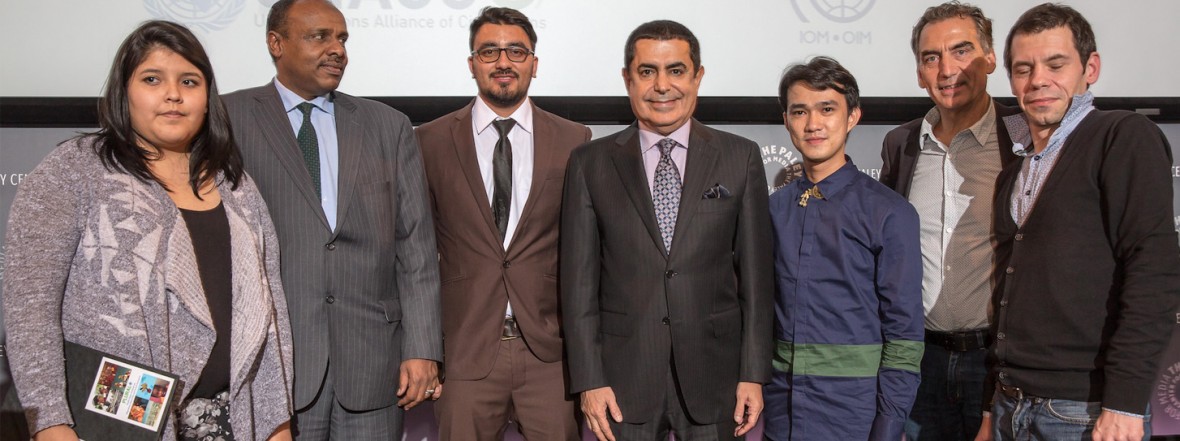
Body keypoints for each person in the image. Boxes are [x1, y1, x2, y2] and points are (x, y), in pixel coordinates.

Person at [2, 20, 294, 441]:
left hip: (233, 422)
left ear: (207, 99)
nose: (173, 94)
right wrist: (50, 424)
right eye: (152, 79)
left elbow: (271, 315)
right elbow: (30, 310)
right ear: (125, 92)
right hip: (114, 424)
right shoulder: (75, 170)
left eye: (189, 81)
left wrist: (277, 424)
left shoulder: (237, 186)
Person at [221, 0, 442, 439]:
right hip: (274, 367)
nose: (337, 49)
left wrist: (422, 348)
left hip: (374, 366)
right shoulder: (227, 118)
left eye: (342, 38)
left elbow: (415, 247)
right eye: (319, 36)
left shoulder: (389, 126)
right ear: (276, 43)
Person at [561, 19, 773, 441]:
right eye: (647, 71)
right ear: (628, 79)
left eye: (676, 70)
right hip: (622, 381)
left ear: (697, 76)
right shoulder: (589, 163)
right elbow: (578, 287)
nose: (662, 86)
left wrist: (753, 373)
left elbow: (756, 280)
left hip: (716, 378)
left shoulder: (740, 157)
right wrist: (589, 379)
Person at [987, 3, 1180, 441]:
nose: (1038, 80)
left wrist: (1125, 402)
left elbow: (1153, 272)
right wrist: (991, 402)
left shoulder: (1122, 136)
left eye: (1056, 65)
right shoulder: (1013, 171)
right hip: (1008, 405)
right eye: (1023, 69)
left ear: (1090, 68)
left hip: (1084, 412)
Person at [414, 6, 590, 440]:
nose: (503, 62)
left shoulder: (575, 139)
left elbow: (585, 251)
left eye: (516, 51)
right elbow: (415, 253)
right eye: (489, 51)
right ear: (472, 63)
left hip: (550, 355)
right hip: (464, 352)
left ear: (534, 63)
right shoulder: (429, 140)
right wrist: (423, 348)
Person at [877, 3, 1019, 440]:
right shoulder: (901, 143)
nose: (946, 69)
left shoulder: (1022, 135)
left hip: (996, 359)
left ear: (990, 58)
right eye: (931, 57)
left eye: (961, 51)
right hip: (921, 359)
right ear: (919, 73)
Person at [764, 56, 923, 441]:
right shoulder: (772, 209)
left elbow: (904, 337)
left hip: (854, 415)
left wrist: (888, 427)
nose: (813, 124)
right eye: (799, 111)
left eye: (827, 109)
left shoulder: (890, 212)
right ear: (786, 120)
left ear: (852, 117)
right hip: (780, 412)